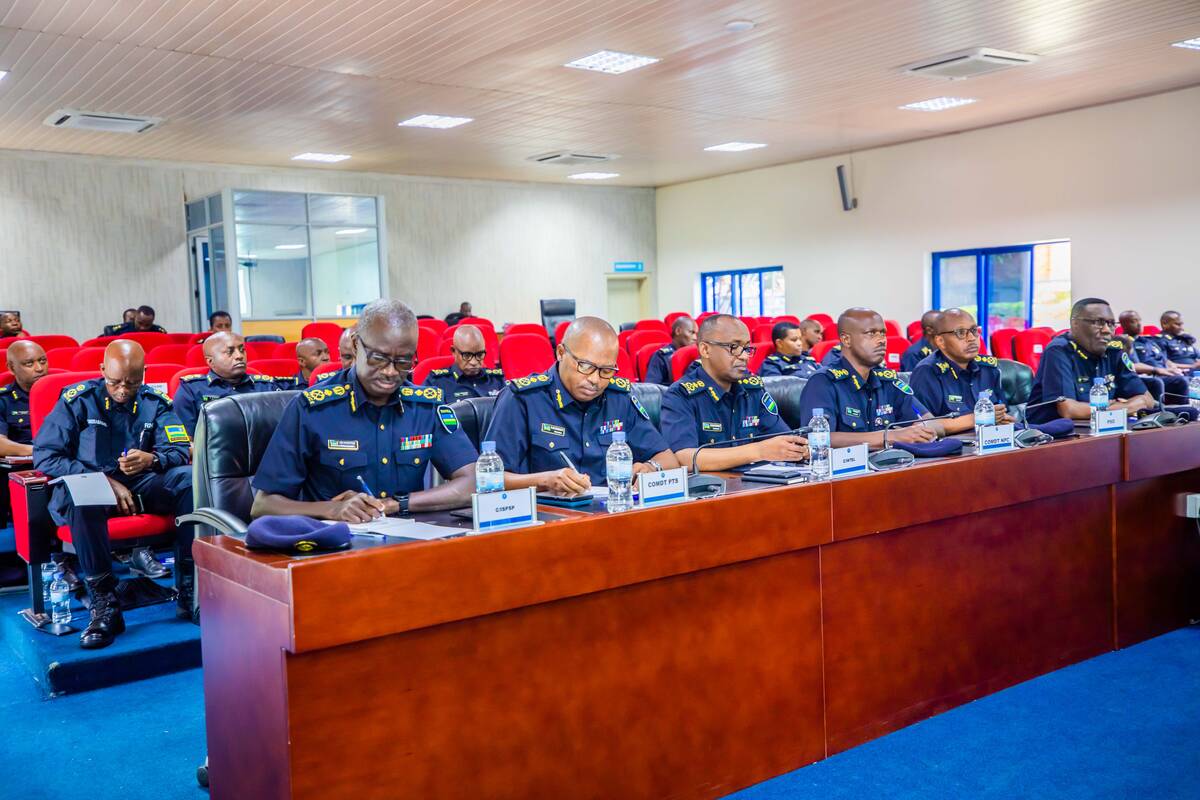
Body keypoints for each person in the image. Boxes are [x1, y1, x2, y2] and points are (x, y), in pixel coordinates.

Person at [251, 300, 477, 521]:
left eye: (403, 362)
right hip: (335, 539)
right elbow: (263, 505)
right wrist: (332, 509)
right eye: (378, 358)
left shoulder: (426, 406)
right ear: (356, 345)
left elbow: (473, 482)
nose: (390, 372)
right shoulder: (311, 409)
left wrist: (396, 503)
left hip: (410, 536)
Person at [33, 341, 194, 648]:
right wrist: (102, 479)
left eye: (131, 383)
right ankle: (105, 604)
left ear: (143, 375)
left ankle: (190, 588)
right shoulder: (78, 400)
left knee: (188, 480)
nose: (122, 390)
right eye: (115, 382)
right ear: (102, 370)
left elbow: (178, 449)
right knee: (83, 492)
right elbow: (46, 455)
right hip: (91, 486)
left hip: (141, 485)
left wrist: (152, 459)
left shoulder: (156, 401)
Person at [485, 317, 678, 496]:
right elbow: (489, 479)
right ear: (561, 353)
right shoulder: (522, 399)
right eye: (585, 366)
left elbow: (668, 459)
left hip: (612, 511)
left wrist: (651, 467)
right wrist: (545, 481)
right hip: (548, 515)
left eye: (606, 370)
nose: (595, 380)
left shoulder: (619, 399)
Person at [661, 315, 807, 471]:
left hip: (757, 481)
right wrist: (758, 451)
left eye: (747, 348)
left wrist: (802, 449)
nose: (744, 356)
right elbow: (684, 458)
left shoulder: (753, 389)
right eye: (734, 347)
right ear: (705, 349)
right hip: (713, 485)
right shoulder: (681, 395)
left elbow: (784, 439)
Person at [798, 308, 940, 449]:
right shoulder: (823, 382)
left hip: (893, 460)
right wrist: (890, 437)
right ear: (846, 340)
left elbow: (929, 420)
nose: (882, 340)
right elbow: (818, 438)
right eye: (871, 333)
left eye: (883, 333)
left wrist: (924, 429)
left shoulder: (887, 380)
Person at [1026, 298, 1154, 424]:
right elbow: (1069, 410)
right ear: (1075, 324)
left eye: (1111, 324)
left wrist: (1104, 409)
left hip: (1101, 427)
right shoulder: (1059, 351)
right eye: (1098, 322)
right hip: (1050, 432)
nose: (1107, 330)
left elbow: (1148, 400)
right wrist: (1127, 407)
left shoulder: (1114, 351)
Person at [909, 308, 1013, 434]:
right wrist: (980, 418)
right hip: (954, 443)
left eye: (974, 330)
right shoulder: (927, 372)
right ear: (940, 341)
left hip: (992, 438)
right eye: (961, 333)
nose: (971, 338)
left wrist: (1005, 420)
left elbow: (1003, 413)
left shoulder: (988, 368)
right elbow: (924, 425)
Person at [173, 332, 281, 436]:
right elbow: (187, 440)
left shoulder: (266, 387)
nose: (239, 356)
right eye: (230, 352)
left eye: (242, 350)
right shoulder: (191, 390)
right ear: (210, 361)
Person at [422, 325, 505, 400]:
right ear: (453, 351)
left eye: (479, 354)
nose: (474, 362)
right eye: (467, 355)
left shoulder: (497, 380)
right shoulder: (436, 382)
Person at [0, 341, 49, 456]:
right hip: (25, 461)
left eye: (43, 361)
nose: (39, 368)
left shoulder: (63, 393)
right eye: (29, 364)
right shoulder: (3, 400)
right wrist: (41, 452)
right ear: (12, 368)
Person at [643, 317, 698, 385]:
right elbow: (652, 387)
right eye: (691, 332)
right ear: (678, 331)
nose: (695, 338)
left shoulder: (695, 356)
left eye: (696, 334)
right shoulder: (661, 356)